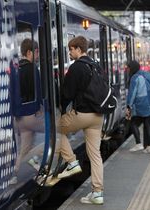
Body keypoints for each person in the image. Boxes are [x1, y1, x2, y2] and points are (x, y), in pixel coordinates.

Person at [57, 36, 104, 205]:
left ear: (78, 49)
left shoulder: (76, 67)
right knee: (95, 155)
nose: (69, 52)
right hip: (98, 116)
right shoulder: (96, 65)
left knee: (55, 131)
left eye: (71, 49)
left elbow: (66, 94)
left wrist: (61, 110)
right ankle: (97, 193)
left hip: (82, 114)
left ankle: (71, 162)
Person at [10, 38, 44, 185]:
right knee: (58, 131)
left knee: (24, 146)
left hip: (17, 117)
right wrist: (40, 108)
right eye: (37, 53)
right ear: (29, 52)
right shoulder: (33, 69)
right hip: (30, 116)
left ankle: (17, 172)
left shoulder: (15, 69)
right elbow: (38, 92)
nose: (37, 56)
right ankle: (35, 161)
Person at [126, 60, 150, 153]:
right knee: (147, 124)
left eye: (129, 68)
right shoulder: (147, 74)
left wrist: (129, 105)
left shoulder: (135, 77)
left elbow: (132, 93)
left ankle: (139, 144)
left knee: (133, 123)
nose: (127, 70)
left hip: (141, 104)